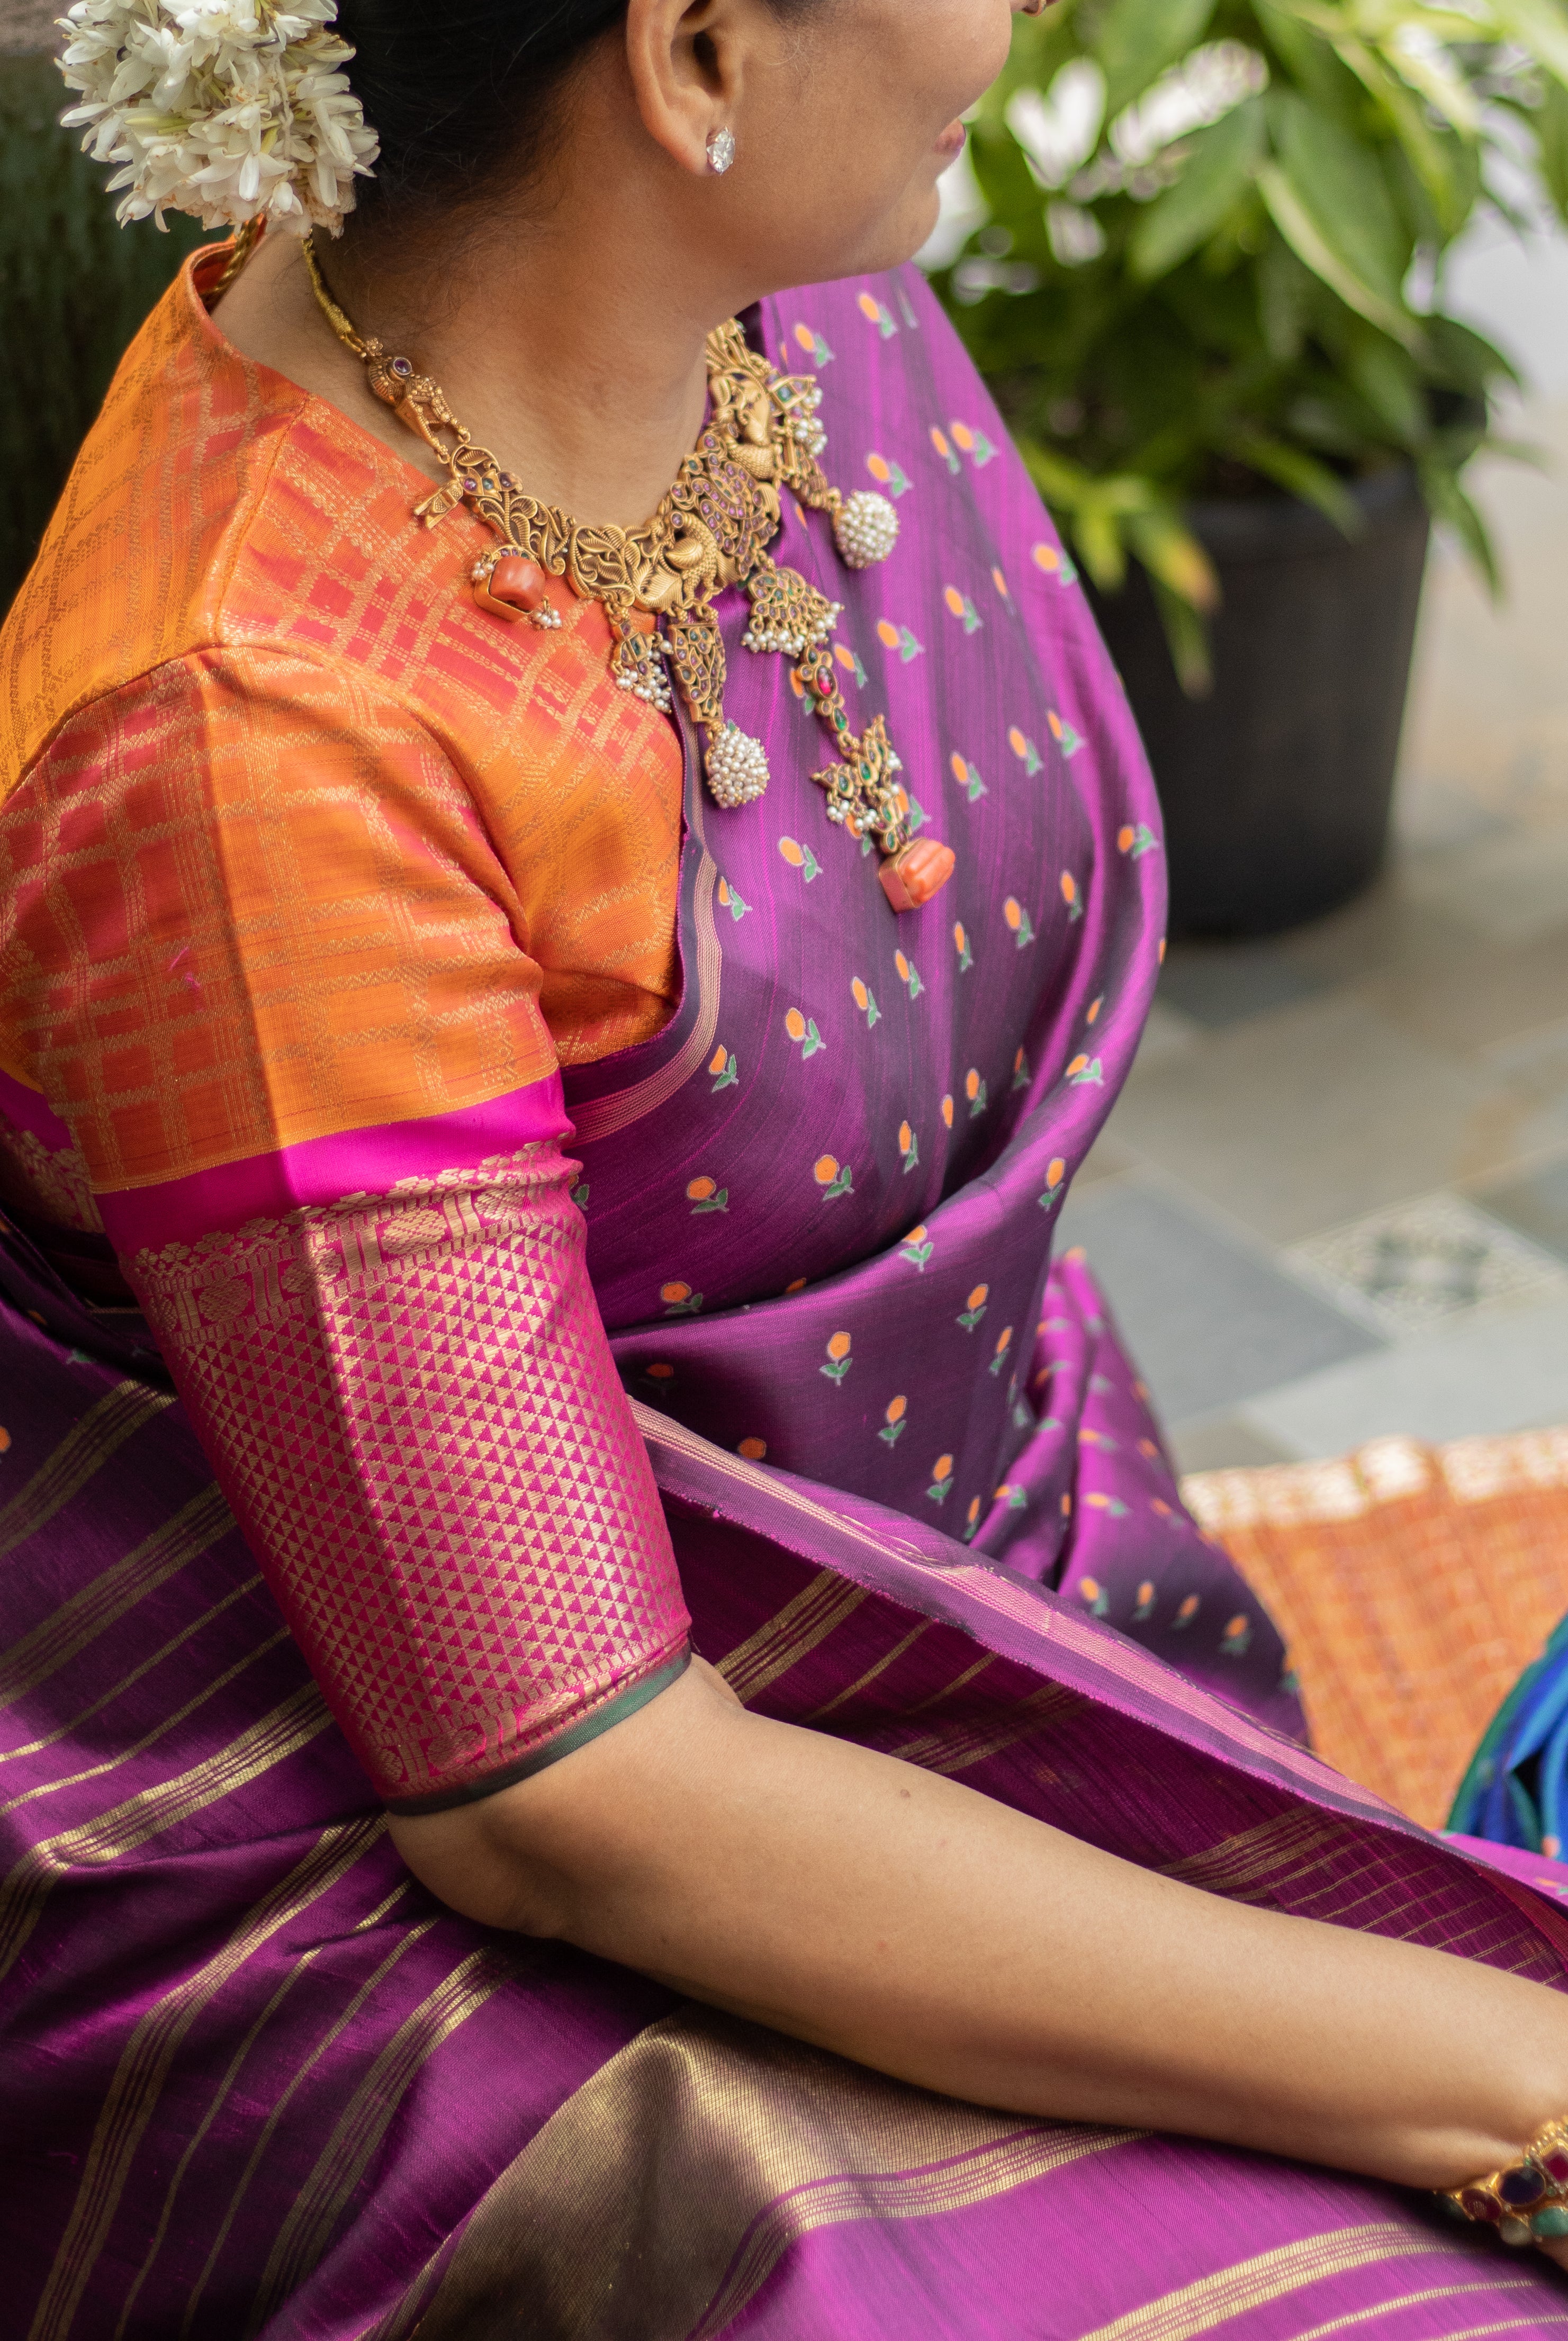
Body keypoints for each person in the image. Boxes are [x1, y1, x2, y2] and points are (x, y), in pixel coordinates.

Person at [5, 0, 1568, 2331]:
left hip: (971, 1573)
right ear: (699, 56)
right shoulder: (264, 736)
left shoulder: (775, 292)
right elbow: (558, 1795)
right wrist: (1508, 2085)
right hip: (434, 1901)